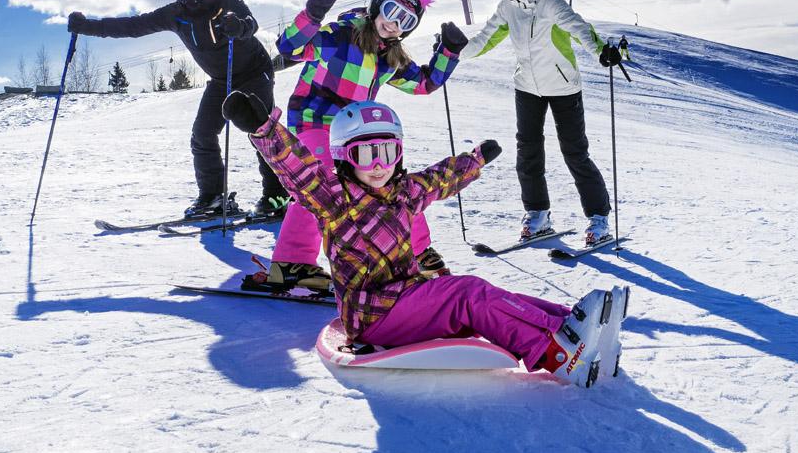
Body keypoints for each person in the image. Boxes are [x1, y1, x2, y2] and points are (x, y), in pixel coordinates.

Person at [222, 92, 626, 385]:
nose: (379, 165)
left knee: (479, 291)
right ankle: (555, 355)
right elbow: (297, 168)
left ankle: (569, 323)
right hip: (373, 315)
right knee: (468, 293)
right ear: (344, 156)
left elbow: (439, 178)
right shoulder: (333, 198)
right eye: (366, 155)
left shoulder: (403, 191)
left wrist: (476, 159)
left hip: (408, 298)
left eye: (388, 152)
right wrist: (264, 128)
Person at [264, 0, 468, 291]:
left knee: (386, 180)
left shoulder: (390, 55)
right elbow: (291, 47)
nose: (394, 23)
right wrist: (312, 16)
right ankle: (293, 264)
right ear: (377, 5)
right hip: (315, 120)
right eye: (391, 11)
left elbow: (425, 83)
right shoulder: (342, 35)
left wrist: (448, 51)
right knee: (324, 180)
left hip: (354, 131)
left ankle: (416, 255)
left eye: (406, 20)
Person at [66, 0, 289, 218]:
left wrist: (239, 27)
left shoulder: (228, 0)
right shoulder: (177, 14)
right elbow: (133, 26)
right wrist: (85, 27)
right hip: (221, 81)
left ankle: (278, 196)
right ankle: (214, 197)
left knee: (260, 132)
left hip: (254, 72)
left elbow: (249, 22)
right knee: (202, 134)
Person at [461, 0, 622, 245]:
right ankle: (538, 214)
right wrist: (454, 51)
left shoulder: (552, 4)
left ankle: (599, 218)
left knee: (575, 153)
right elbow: (485, 39)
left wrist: (602, 51)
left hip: (563, 88)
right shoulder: (508, 7)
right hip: (527, 89)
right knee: (528, 152)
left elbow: (580, 29)